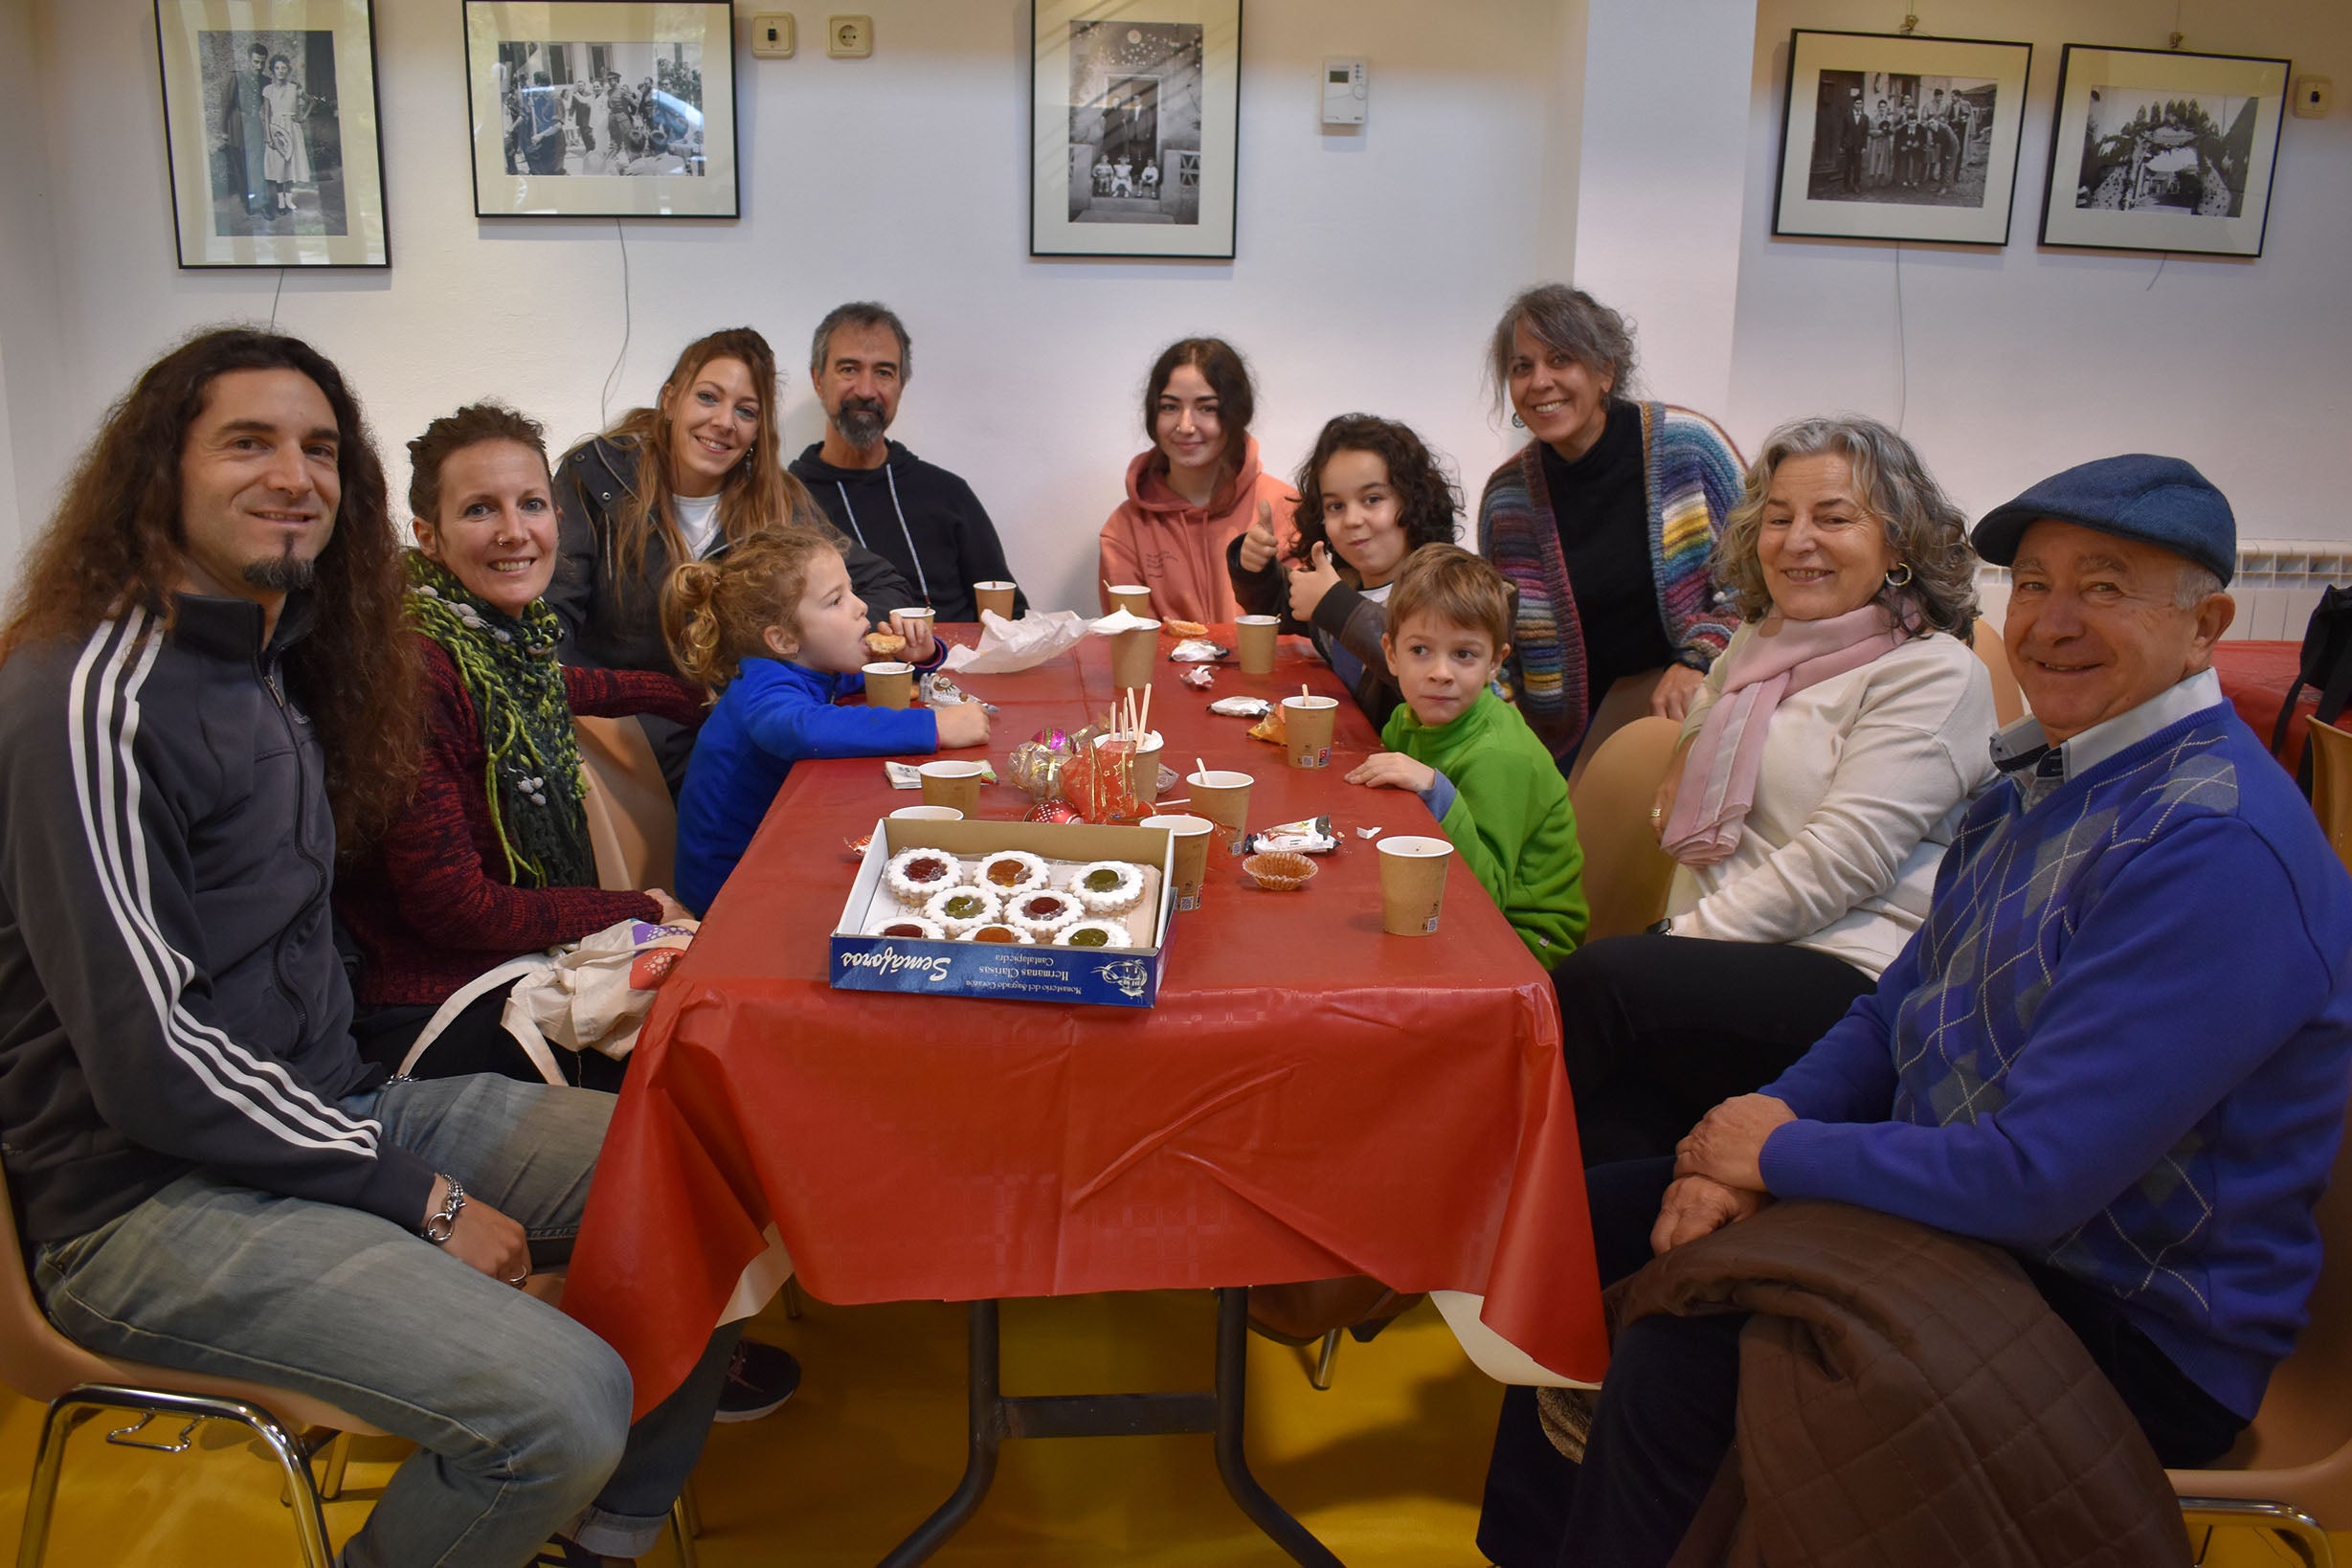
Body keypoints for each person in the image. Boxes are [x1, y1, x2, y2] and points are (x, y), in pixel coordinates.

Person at [1479, 454, 2352, 1567]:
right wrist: (1741, 1139)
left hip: (2130, 1319)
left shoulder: (2213, 845)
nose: (2052, 621)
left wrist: (1783, 1158)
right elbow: (1896, 1007)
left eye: (2105, 586)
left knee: (1688, 1352)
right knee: (1584, 1228)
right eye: (2031, 585)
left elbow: (2038, 1179)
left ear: (2208, 623)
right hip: (1970, 1225)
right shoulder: (2042, 778)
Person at [0, 325, 739, 1566]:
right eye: (248, 441)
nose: (292, 474)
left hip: (327, 1108)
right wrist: (422, 1196)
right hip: (146, 1196)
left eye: (319, 448)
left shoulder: (278, 664)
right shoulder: (86, 693)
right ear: (157, 470)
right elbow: (152, 1059)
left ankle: (596, 1535)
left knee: (710, 1165)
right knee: (558, 1406)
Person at [1553, 415, 1997, 1165]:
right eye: (1778, 518)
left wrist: (1672, 946)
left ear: (1898, 545)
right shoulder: (1751, 649)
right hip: (1716, 966)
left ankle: (1435, 1192)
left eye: (1833, 519)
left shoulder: (1933, 675)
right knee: (1599, 1171)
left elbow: (1840, 862)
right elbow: (1691, 776)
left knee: (1599, 983)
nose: (1797, 541)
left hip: (1846, 981)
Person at [336, 403, 703, 1088]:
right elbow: (456, 909)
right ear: (429, 536)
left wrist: (696, 694)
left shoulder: (497, 644)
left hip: (516, 956)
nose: (513, 532)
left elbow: (567, 685)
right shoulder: (417, 669)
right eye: (479, 510)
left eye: (530, 503)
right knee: (703, 1038)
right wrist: (638, 906)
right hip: (434, 998)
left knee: (718, 980)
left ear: (555, 517)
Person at [549, 325, 919, 791]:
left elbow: (884, 585)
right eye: (708, 397)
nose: (725, 422)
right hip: (616, 740)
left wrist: (825, 633)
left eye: (746, 411)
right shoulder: (596, 475)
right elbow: (547, 620)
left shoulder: (778, 501)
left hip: (733, 736)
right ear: (669, 399)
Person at [1476, 284, 1742, 777]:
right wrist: (1504, 728)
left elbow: (1759, 587)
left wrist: (1698, 659)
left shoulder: (1690, 449)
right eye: (1522, 366)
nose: (1540, 381)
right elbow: (1496, 636)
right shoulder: (1507, 496)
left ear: (1605, 372)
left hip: (1694, 709)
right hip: (1557, 739)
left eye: (1561, 359)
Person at [666, 532, 986, 916]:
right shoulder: (763, 691)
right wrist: (933, 728)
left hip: (775, 854)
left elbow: (853, 680)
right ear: (783, 639)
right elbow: (802, 728)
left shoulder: (807, 667)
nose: (861, 607)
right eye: (835, 601)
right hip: (730, 892)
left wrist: (917, 657)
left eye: (851, 590)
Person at [1347, 546, 1587, 969]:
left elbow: (1487, 896)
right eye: (1420, 650)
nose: (1441, 672)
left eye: (1464, 654)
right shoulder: (1409, 718)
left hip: (1526, 940)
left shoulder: (1499, 756)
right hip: (1443, 900)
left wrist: (1437, 791)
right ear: (1391, 652)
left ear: (1495, 662)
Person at [790, 302, 1027, 624]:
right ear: (818, 379)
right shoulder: (786, 500)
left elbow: (1009, 613)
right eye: (848, 369)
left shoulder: (948, 493)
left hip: (958, 669)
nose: (866, 390)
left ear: (902, 385)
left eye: (884, 373)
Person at [1225, 413, 1458, 729]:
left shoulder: (1450, 588)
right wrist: (1255, 566)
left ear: (1414, 499)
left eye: (1372, 499)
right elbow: (1282, 606)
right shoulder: (1346, 579)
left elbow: (1418, 666)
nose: (1351, 519)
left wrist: (1334, 605)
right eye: (1336, 506)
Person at [1101, 336, 1298, 623]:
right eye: (1170, 407)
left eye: (1206, 408)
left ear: (1236, 413)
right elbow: (1132, 646)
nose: (1185, 426)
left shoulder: (1285, 508)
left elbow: (1302, 635)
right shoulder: (1124, 529)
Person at [220, 41, 271, 217]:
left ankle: (262, 203)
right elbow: (226, 105)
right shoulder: (237, 78)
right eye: (256, 62)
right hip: (237, 128)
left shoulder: (266, 81)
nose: (259, 66)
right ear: (249, 60)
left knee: (257, 168)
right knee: (241, 168)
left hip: (256, 128)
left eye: (262, 62)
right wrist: (224, 131)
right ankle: (247, 201)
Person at [260, 54, 311, 216]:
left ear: (288, 70)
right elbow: (267, 114)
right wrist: (268, 136)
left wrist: (303, 117)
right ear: (272, 71)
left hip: (292, 128)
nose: (280, 71)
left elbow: (312, 101)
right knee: (279, 165)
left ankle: (289, 199)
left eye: (283, 68)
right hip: (276, 129)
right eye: (277, 68)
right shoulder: (268, 90)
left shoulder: (294, 87)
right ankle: (280, 201)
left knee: (290, 164)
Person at [1836, 86, 1870, 192]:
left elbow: (1865, 134)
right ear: (1853, 104)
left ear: (1863, 105)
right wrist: (1841, 145)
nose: (1858, 105)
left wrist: (1864, 146)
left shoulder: (1865, 118)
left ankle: (1856, 185)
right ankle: (1845, 185)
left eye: (1860, 103)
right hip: (1849, 145)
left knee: (1858, 167)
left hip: (1859, 146)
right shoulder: (1847, 116)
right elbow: (1842, 131)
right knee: (1847, 166)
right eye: (1857, 103)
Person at [1865, 97, 1893, 188]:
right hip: (1875, 142)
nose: (1882, 109)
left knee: (1883, 160)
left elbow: (1892, 130)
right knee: (1873, 160)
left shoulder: (1889, 120)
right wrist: (1879, 132)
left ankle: (1881, 178)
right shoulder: (1873, 119)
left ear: (1886, 108)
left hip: (1885, 142)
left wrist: (1888, 131)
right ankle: (1871, 179)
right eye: (1880, 107)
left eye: (1884, 107)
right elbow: (1868, 131)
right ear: (1878, 108)